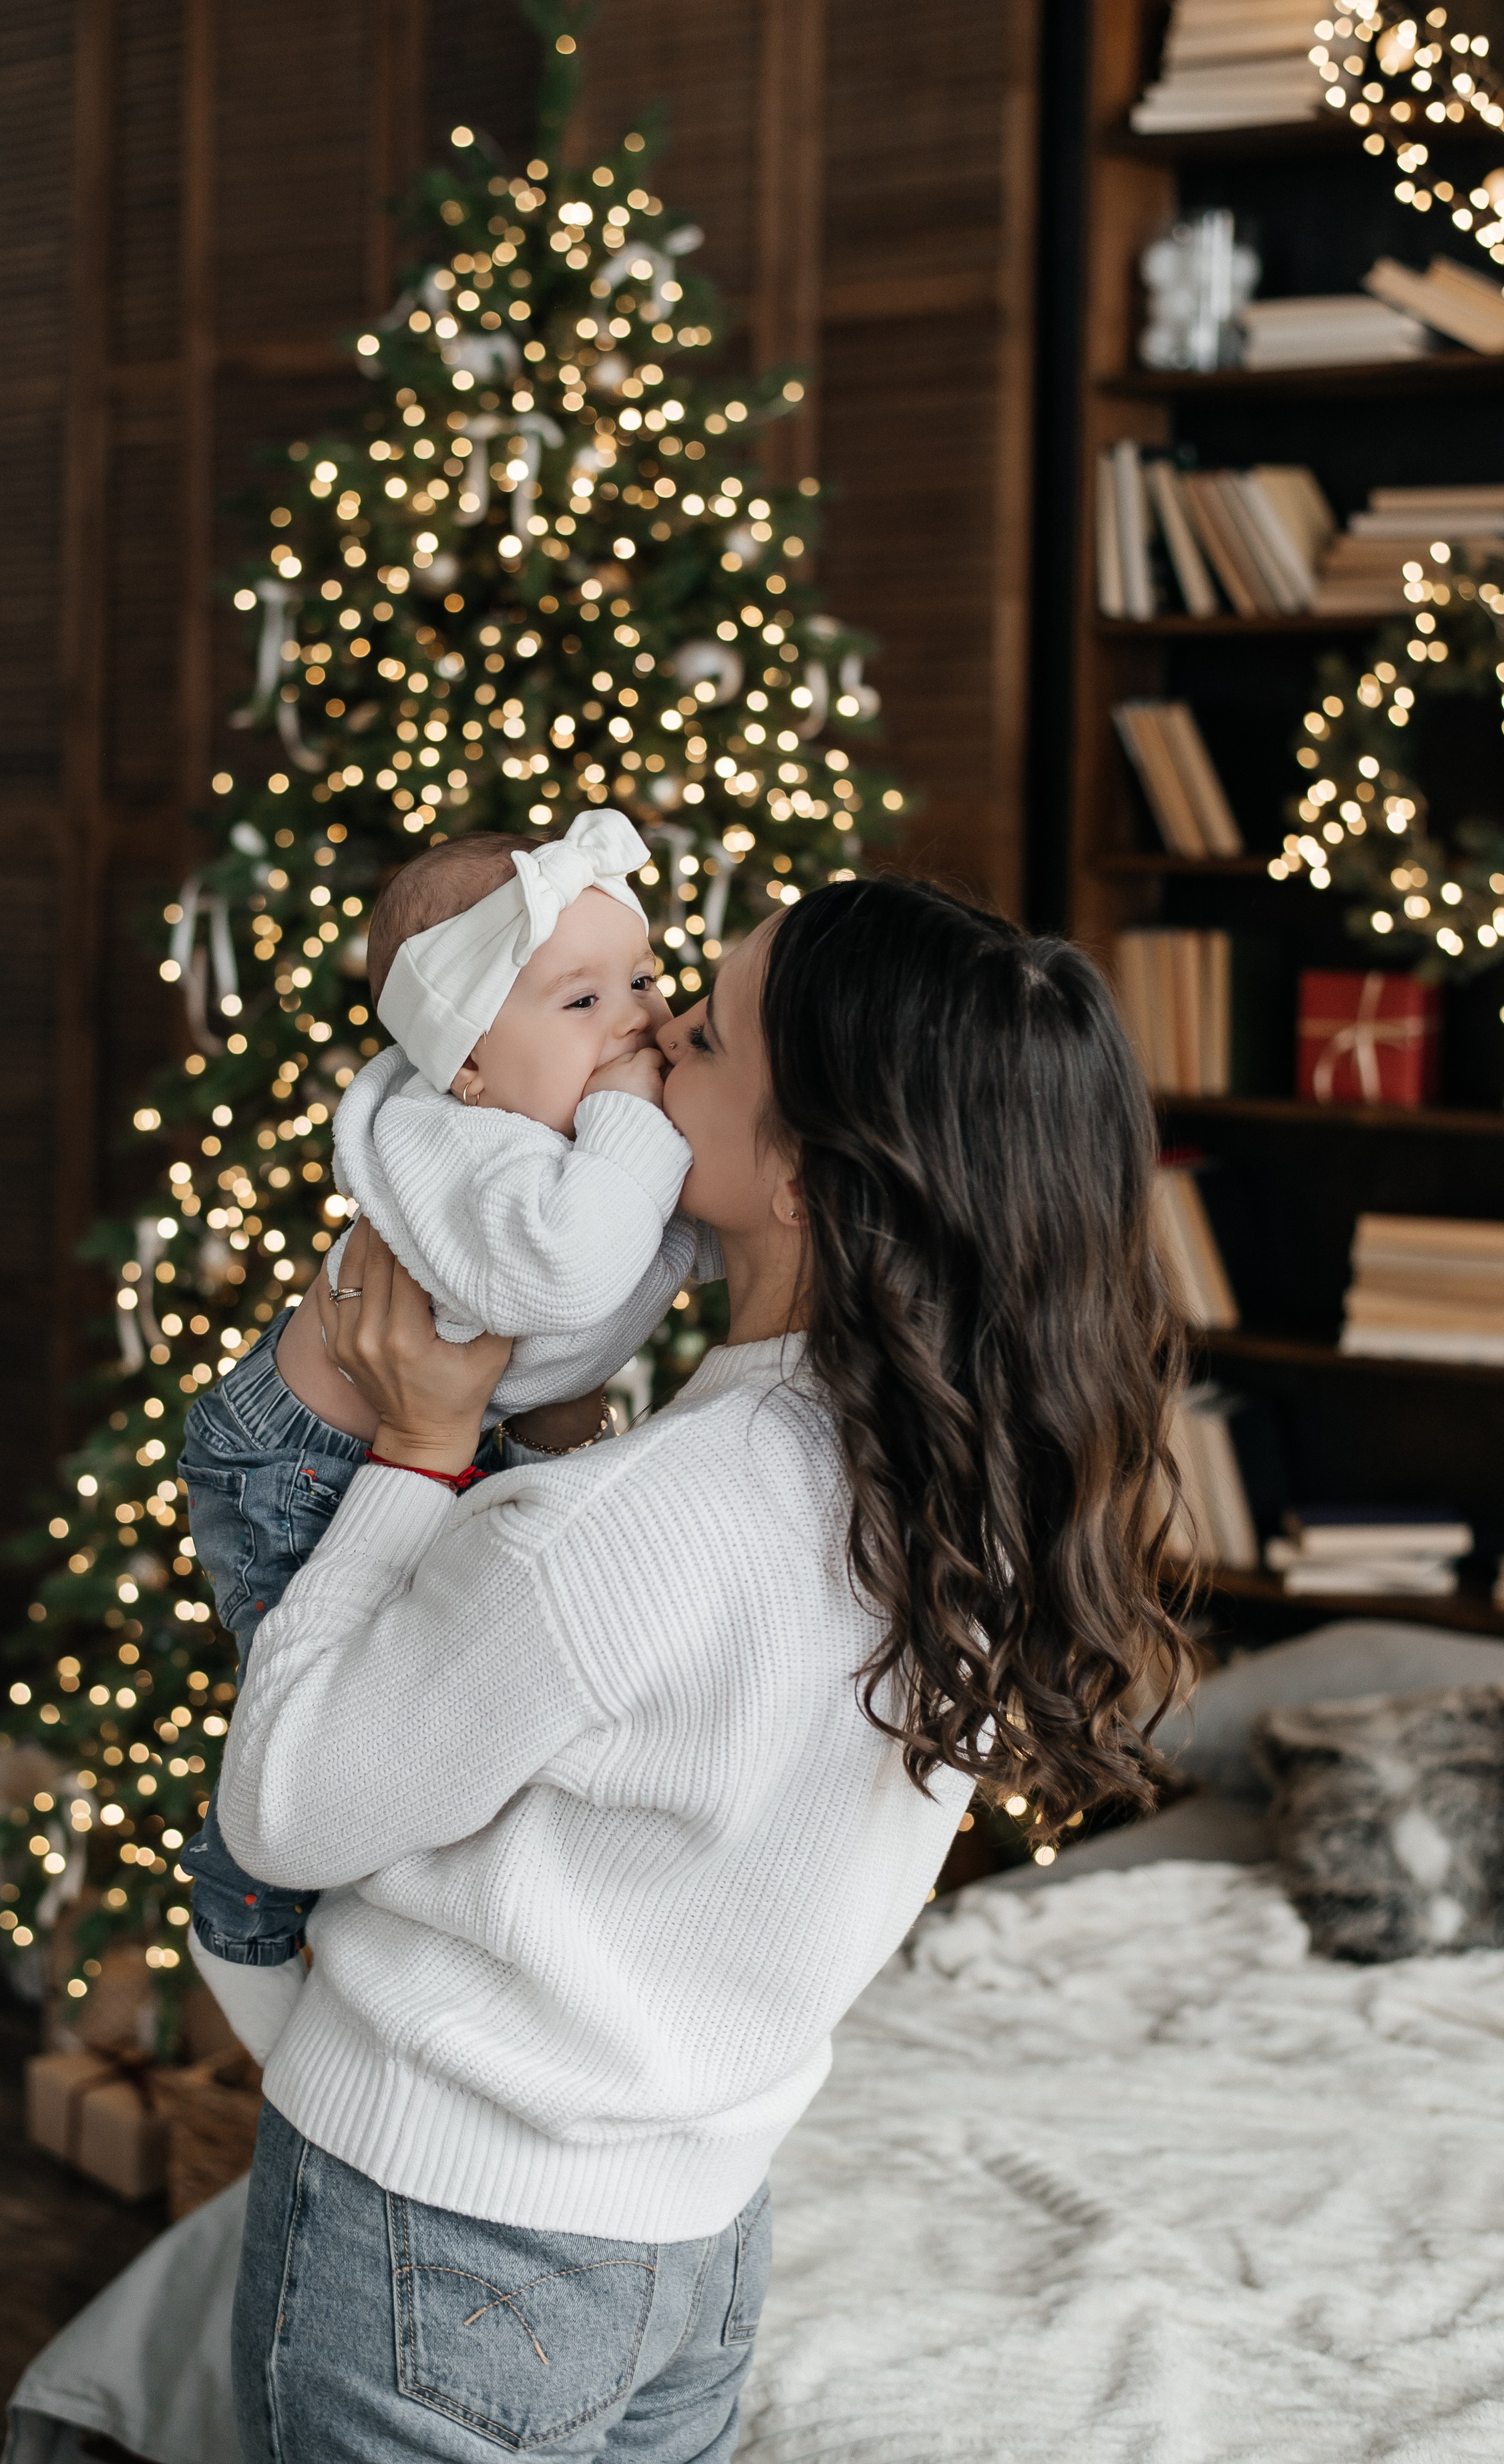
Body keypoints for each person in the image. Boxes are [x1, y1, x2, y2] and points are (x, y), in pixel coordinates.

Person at [217, 876, 1194, 2464]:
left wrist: (416, 1450)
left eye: (706, 1031)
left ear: (802, 1169)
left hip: (439, 2229)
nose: (655, 1037)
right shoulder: (984, 1505)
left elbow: (284, 1811)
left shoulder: (615, 1530)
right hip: (696, 2244)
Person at [178, 814, 715, 2057]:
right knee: (312, 1735)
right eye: (579, 999)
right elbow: (585, 1270)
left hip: (435, 1442)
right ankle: (239, 1926)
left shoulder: (572, 1131)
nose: (635, 1020)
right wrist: (643, 1124)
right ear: (466, 1065)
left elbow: (672, 1245)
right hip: (294, 1465)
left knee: (435, 1716)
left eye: (640, 979)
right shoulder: (462, 1145)